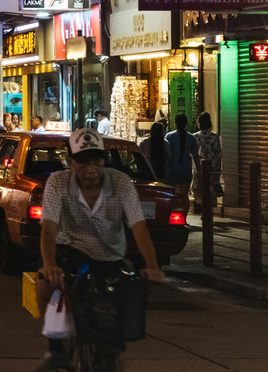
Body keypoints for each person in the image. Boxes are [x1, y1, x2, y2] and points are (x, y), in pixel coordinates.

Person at [35, 129, 165, 372]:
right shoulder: (58, 182)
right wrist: (49, 264)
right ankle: (55, 349)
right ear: (70, 162)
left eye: (96, 161)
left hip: (110, 257)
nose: (91, 168)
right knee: (43, 283)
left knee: (117, 311)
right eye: (83, 162)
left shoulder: (121, 183)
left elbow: (138, 226)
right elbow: (49, 228)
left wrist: (152, 265)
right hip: (69, 252)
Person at [164, 113, 200, 213]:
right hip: (186, 170)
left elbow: (167, 155)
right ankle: (184, 218)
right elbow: (196, 156)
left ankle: (171, 216)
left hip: (172, 170)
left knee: (171, 195)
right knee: (184, 196)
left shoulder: (169, 136)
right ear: (186, 123)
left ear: (175, 123)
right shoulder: (191, 138)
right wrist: (199, 170)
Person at [191, 112, 223, 212]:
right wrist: (218, 169)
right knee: (211, 190)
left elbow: (193, 154)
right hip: (213, 169)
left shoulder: (194, 137)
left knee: (200, 190)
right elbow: (218, 153)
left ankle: (204, 211)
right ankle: (209, 212)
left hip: (199, 168)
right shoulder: (214, 136)